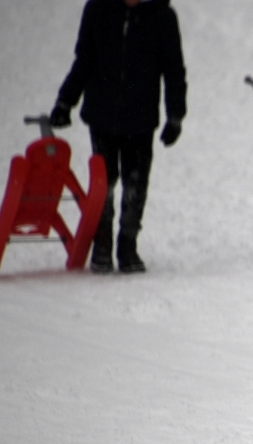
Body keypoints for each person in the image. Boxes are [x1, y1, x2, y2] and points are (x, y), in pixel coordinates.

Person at [50, 0, 187, 274]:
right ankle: (102, 243)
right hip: (102, 115)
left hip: (141, 117)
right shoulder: (98, 10)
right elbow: (85, 58)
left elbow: (173, 68)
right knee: (105, 182)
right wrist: (65, 101)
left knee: (136, 183)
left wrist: (175, 115)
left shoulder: (162, 17)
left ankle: (128, 243)